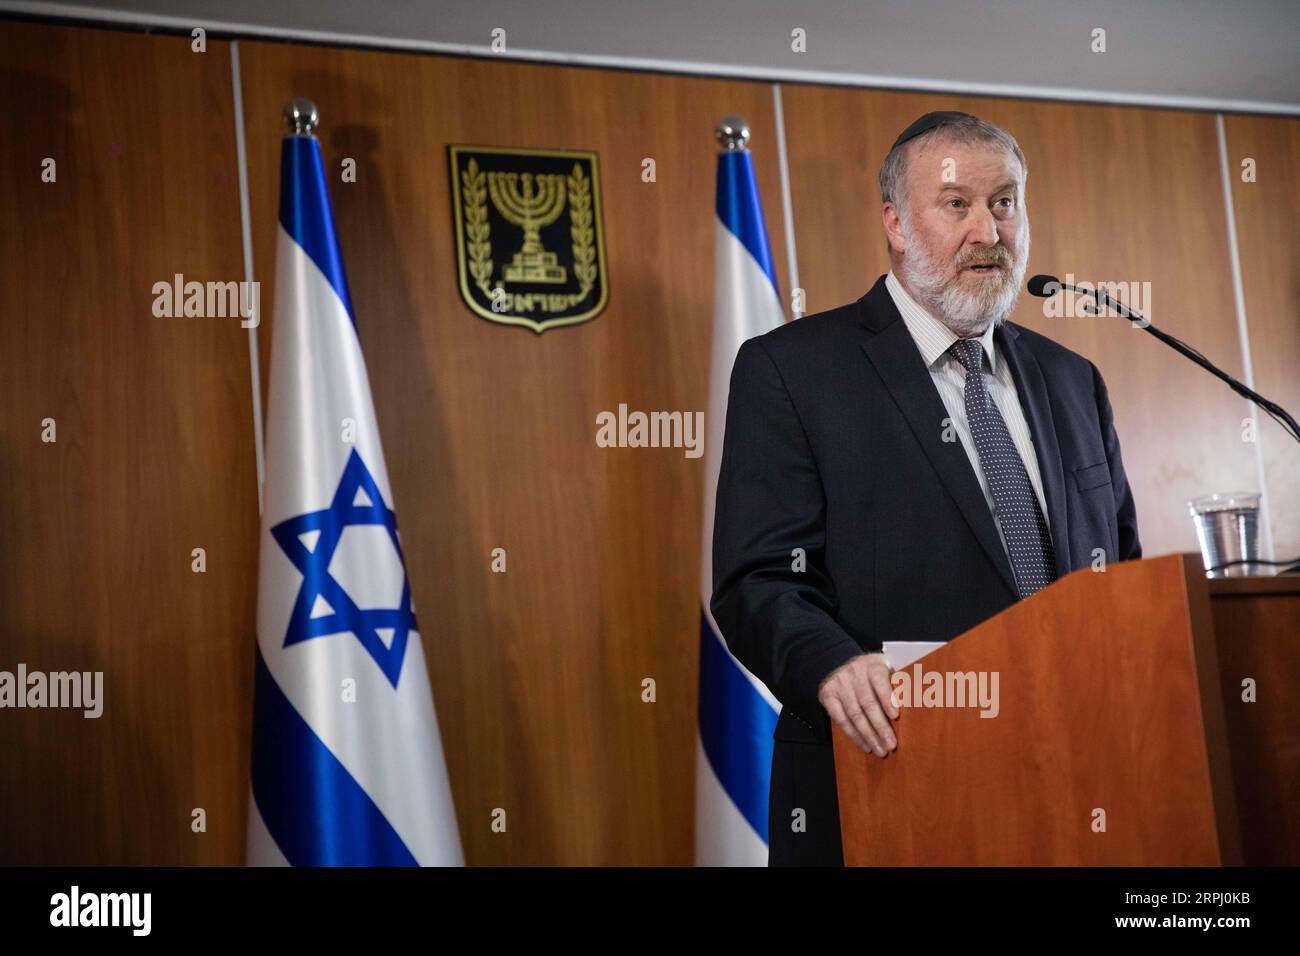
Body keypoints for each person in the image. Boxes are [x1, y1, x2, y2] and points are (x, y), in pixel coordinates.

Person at [709, 111, 1141, 866]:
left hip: (1076, 784)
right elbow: (757, 580)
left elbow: (1121, 573)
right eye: (957, 204)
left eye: (1005, 202)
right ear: (897, 225)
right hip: (885, 779)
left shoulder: (1074, 381)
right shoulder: (795, 370)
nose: (988, 230)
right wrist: (832, 663)